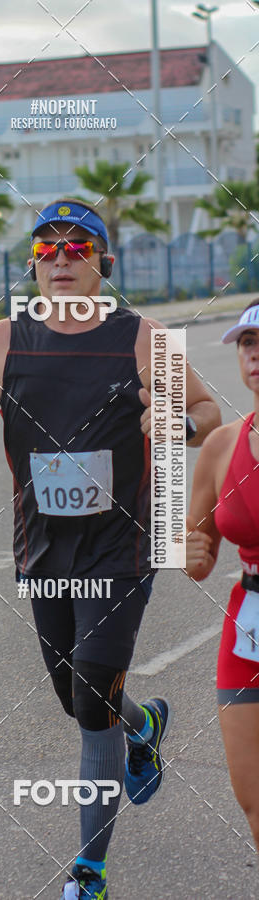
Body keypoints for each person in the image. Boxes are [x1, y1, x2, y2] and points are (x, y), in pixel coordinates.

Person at [0, 199, 221, 899]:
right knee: (80, 700)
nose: (61, 258)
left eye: (78, 247)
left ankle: (88, 873)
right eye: (47, 248)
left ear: (105, 261)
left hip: (122, 547)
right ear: (33, 261)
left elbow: (207, 412)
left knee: (93, 694)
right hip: (41, 551)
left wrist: (177, 424)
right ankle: (146, 725)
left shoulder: (144, 338)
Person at [185, 300, 259, 853]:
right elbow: (198, 551)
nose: (255, 355)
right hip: (249, 624)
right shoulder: (220, 446)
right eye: (247, 344)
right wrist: (190, 553)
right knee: (253, 797)